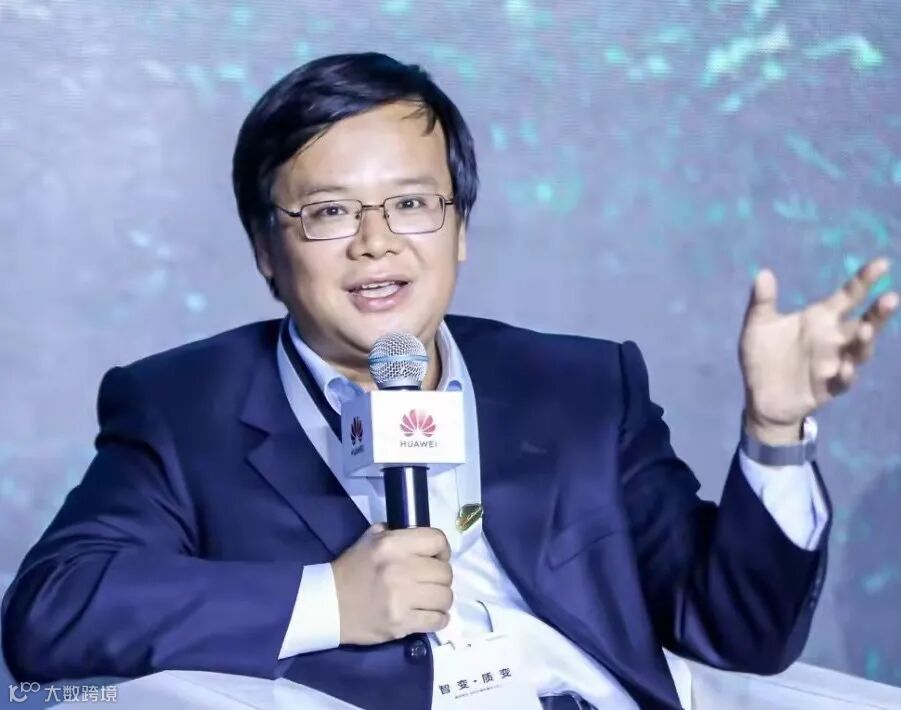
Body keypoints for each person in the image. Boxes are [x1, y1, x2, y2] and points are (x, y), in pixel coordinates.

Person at [1, 52, 897, 710]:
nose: (376, 242)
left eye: (410, 204)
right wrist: (332, 601)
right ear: (265, 249)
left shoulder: (580, 385)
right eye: (328, 212)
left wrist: (773, 436)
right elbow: (51, 614)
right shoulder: (182, 406)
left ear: (460, 228)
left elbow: (736, 632)